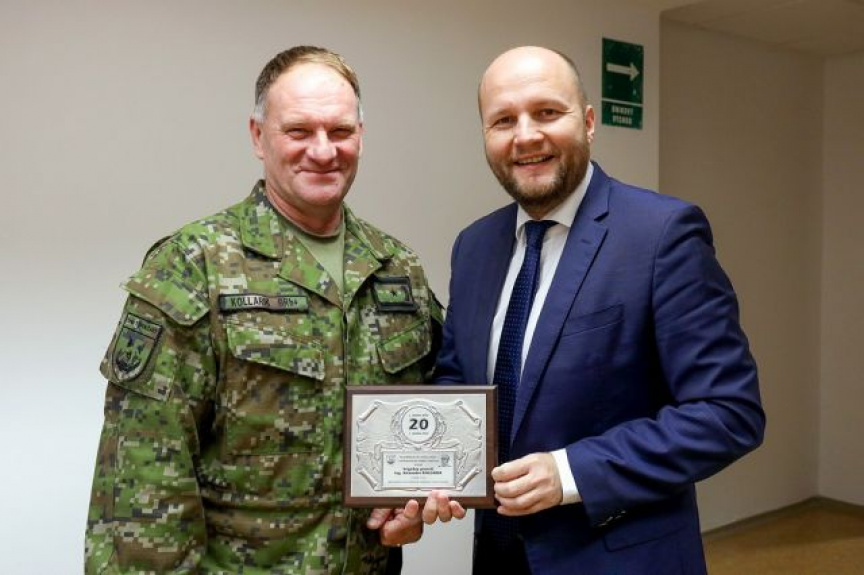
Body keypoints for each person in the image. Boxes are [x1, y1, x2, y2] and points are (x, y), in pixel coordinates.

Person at [85, 46, 440, 574]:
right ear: (258, 136)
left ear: (361, 137)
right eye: (299, 131)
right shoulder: (195, 265)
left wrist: (412, 499)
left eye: (340, 131)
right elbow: (140, 483)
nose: (323, 151)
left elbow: (435, 416)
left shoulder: (396, 269)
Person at [424, 46, 765, 574]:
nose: (526, 136)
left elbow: (728, 412)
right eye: (503, 120)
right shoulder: (474, 246)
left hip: (618, 559)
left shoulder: (661, 235)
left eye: (546, 112)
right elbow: (458, 381)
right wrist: (430, 469)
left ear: (587, 122)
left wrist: (569, 473)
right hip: (497, 554)